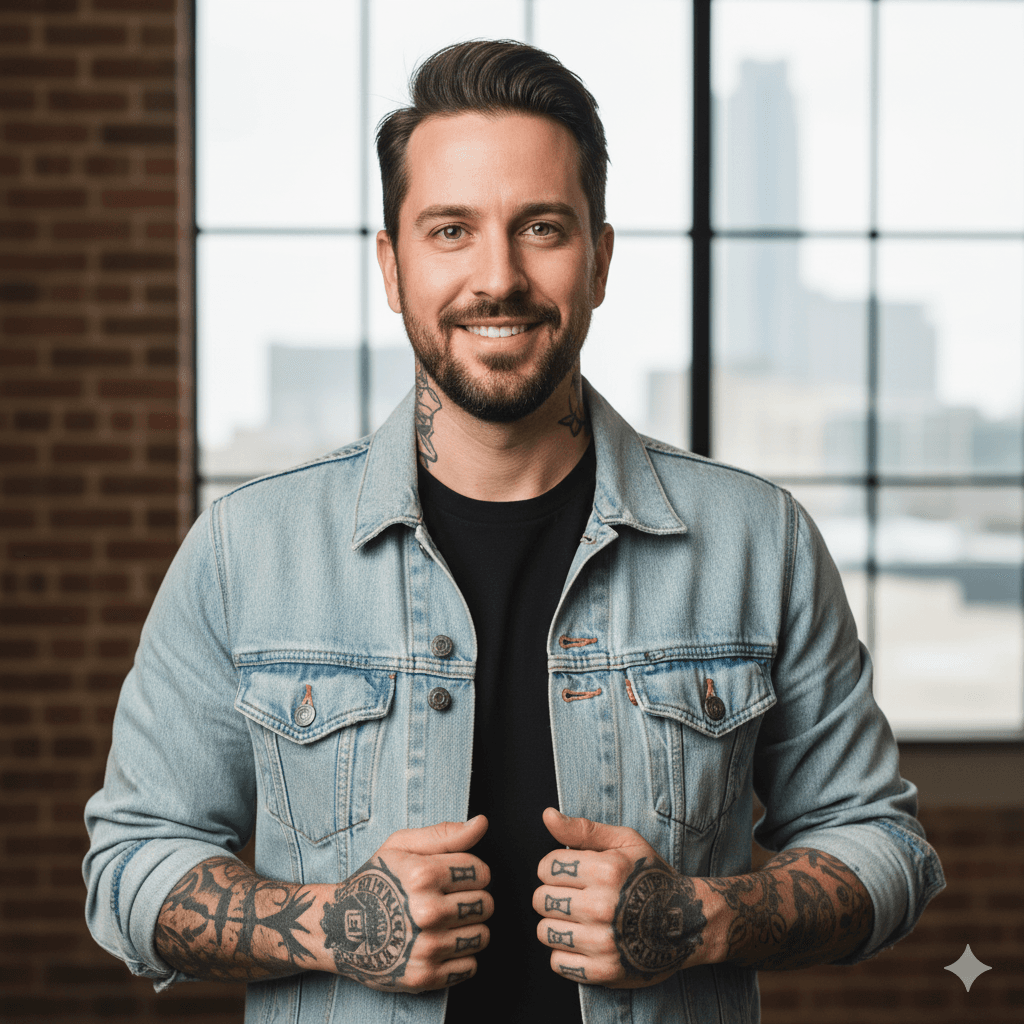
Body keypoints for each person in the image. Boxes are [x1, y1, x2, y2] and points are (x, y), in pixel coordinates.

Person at [84, 39, 944, 1024]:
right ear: (392, 266)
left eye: (540, 227)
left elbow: (882, 847)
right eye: (451, 230)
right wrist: (335, 925)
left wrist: (700, 917)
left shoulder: (758, 542)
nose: (497, 277)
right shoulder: (246, 550)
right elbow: (129, 864)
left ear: (600, 260)